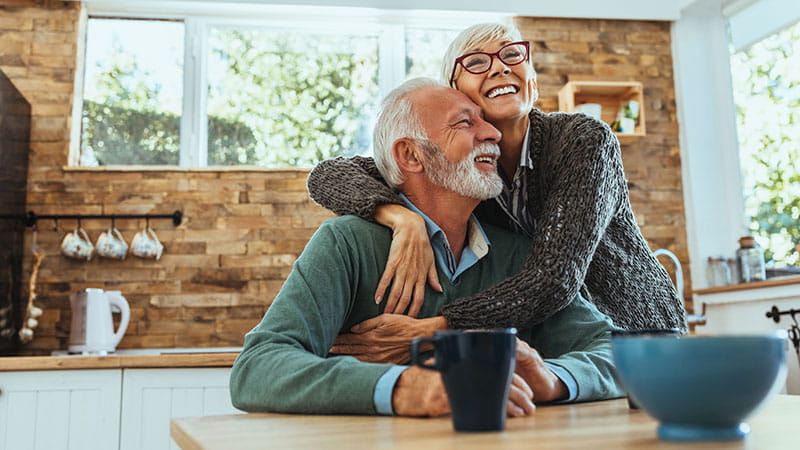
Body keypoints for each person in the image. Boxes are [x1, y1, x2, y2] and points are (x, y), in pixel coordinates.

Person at [230, 78, 624, 417]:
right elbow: (258, 368)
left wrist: (551, 379)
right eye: (465, 123)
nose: (493, 134)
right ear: (411, 155)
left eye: (485, 121)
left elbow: (616, 354)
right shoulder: (346, 243)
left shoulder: (518, 255)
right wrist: (407, 387)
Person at [306, 23, 686, 355]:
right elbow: (328, 175)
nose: (500, 66)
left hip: (635, 334)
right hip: (554, 344)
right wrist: (402, 218)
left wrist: (434, 329)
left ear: (531, 80)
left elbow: (554, 278)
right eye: (476, 62)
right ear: (455, 92)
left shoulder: (582, 141)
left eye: (511, 55)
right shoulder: (460, 168)